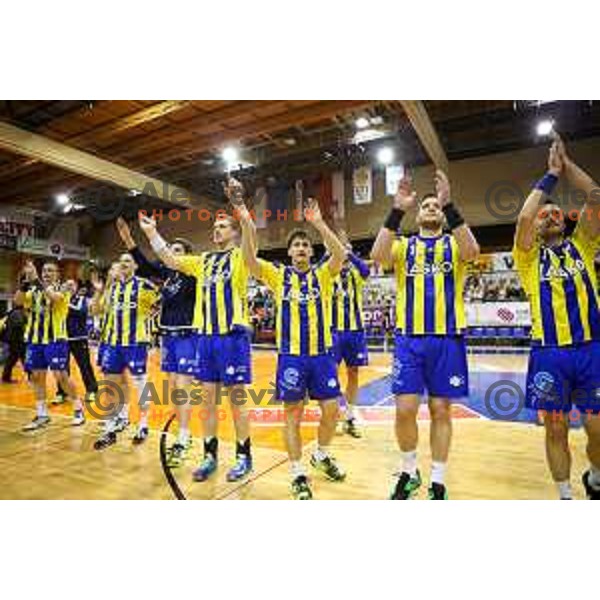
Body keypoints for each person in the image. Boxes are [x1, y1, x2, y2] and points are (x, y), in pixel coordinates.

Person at [235, 179, 348, 500]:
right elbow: (248, 261)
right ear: (289, 252)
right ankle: (297, 472)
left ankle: (322, 454)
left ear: (312, 252)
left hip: (322, 355)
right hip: (292, 357)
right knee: (292, 415)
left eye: (305, 245)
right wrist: (246, 221)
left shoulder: (324, 274)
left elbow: (339, 254)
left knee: (331, 411)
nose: (301, 249)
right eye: (296, 245)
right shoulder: (276, 274)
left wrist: (319, 224)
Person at [371, 170, 479, 499]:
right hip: (410, 339)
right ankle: (408, 471)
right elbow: (377, 256)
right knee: (404, 409)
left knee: (440, 410)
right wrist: (397, 209)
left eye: (436, 205)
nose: (431, 207)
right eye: (427, 205)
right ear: (417, 214)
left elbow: (473, 251)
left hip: (446, 338)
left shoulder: (452, 243)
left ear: (443, 215)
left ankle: (438, 479)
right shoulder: (404, 246)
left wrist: (450, 205)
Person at [138, 203, 254, 483]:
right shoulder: (203, 262)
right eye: (215, 227)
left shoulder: (240, 257)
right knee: (208, 403)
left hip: (232, 337)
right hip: (205, 339)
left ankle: (243, 456)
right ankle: (210, 455)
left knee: (237, 401)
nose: (217, 229)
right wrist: (153, 233)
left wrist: (242, 211)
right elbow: (170, 260)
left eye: (223, 226)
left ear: (235, 234)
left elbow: (252, 239)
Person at [513, 137, 600, 500]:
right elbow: (523, 216)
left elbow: (595, 196)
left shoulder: (583, 243)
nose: (547, 214)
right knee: (556, 429)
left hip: (591, 349)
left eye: (554, 212)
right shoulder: (528, 260)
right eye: (542, 214)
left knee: (597, 428)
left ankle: (594, 477)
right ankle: (565, 497)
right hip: (549, 353)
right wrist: (550, 175)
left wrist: (567, 165)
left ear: (564, 222)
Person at [116, 217, 198, 467]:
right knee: (174, 388)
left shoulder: (192, 275)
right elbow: (142, 262)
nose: (170, 255)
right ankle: (184, 431)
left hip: (186, 336)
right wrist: (129, 239)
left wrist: (153, 234)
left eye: (176, 251)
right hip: (167, 339)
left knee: (182, 389)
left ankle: (183, 436)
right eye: (170, 250)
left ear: (186, 256)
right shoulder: (168, 276)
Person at [90, 253, 159, 450]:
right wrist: (98, 291)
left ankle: (144, 424)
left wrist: (148, 322)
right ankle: (110, 430)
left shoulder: (144, 285)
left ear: (136, 266)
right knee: (111, 388)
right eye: (121, 262)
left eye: (128, 261)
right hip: (113, 344)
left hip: (135, 344)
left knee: (141, 386)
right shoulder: (111, 289)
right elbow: (95, 311)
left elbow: (160, 302)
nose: (124, 264)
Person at [15, 260, 86, 431]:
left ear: (57, 274)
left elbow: (54, 298)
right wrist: (25, 284)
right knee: (36, 377)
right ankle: (42, 414)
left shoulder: (64, 288)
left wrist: (36, 279)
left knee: (60, 376)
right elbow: (17, 301)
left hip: (56, 339)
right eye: (44, 270)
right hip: (35, 340)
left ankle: (78, 409)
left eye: (50, 271)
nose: (46, 273)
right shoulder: (33, 290)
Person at [330, 232, 370, 438]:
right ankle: (335, 416)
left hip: (355, 331)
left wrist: (349, 252)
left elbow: (366, 269)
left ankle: (350, 417)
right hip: (334, 331)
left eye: (345, 247)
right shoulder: (329, 272)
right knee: (332, 374)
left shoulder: (355, 273)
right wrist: (332, 249)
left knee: (353, 373)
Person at [51, 279, 98, 404]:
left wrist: (65, 303)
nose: (69, 287)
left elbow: (80, 311)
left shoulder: (81, 300)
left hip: (78, 339)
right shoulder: (60, 299)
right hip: (63, 339)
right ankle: (62, 393)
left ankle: (92, 390)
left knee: (84, 366)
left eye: (71, 285)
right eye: (66, 285)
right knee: (62, 368)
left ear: (76, 287)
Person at [1, 302, 27, 383]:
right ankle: (30, 375)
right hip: (17, 340)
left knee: (12, 358)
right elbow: (18, 325)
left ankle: (6, 377)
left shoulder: (12, 313)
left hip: (12, 339)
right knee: (23, 357)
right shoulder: (18, 313)